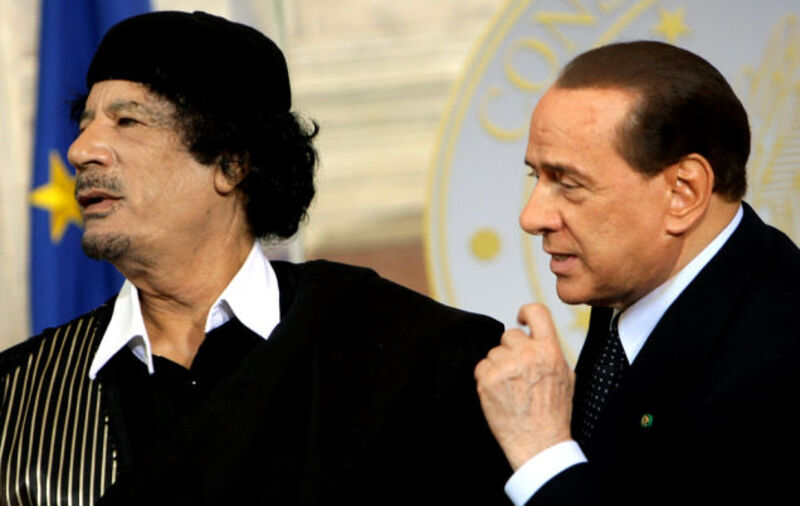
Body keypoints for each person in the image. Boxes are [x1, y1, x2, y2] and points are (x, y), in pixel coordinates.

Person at [0, 11, 511, 506]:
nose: (81, 150)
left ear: (232, 163)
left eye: (127, 120)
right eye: (85, 123)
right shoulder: (20, 393)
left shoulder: (408, 357)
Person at [474, 40, 800, 505]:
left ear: (683, 193)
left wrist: (541, 450)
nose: (531, 217)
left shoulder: (778, 365)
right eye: (537, 177)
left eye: (569, 183)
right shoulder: (637, 286)